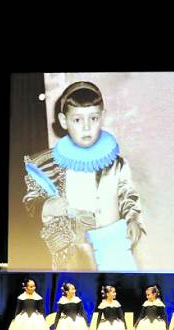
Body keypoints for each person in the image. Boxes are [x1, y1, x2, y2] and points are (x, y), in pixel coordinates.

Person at [22, 81, 145, 270]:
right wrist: (47, 206)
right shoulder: (45, 166)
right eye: (78, 120)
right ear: (64, 121)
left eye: (93, 118)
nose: (86, 127)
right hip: (75, 252)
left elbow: (128, 195)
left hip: (113, 246)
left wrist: (133, 219)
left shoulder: (115, 163)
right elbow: (29, 202)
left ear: (102, 117)